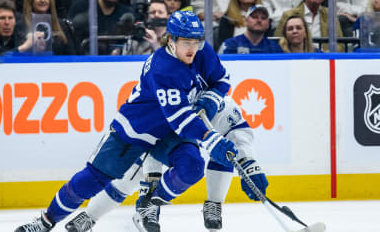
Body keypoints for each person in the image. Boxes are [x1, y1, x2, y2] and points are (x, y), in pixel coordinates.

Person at [14, 10, 238, 232]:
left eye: (196, 42)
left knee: (193, 166)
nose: (192, 48)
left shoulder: (202, 51)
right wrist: (211, 139)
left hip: (170, 132)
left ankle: (150, 202)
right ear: (171, 40)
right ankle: (45, 221)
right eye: (186, 42)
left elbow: (222, 79)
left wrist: (209, 99)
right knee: (91, 180)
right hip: (137, 129)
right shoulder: (163, 68)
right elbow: (182, 120)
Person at [63, 95, 269, 232]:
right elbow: (152, 149)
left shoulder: (222, 106)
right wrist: (149, 184)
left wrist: (248, 164)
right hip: (164, 137)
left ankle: (214, 203)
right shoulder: (167, 101)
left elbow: (239, 134)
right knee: (129, 180)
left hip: (193, 136)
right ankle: (90, 216)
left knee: (223, 153)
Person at [274, 0, 344, 52]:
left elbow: (339, 43)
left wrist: (324, 56)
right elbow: (278, 41)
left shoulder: (330, 14)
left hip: (323, 60)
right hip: (295, 58)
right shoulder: (289, 14)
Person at [218, 4, 283, 54]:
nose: (259, 20)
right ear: (245, 21)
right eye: (254, 17)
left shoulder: (275, 48)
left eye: (263, 17)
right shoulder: (230, 45)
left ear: (268, 24)